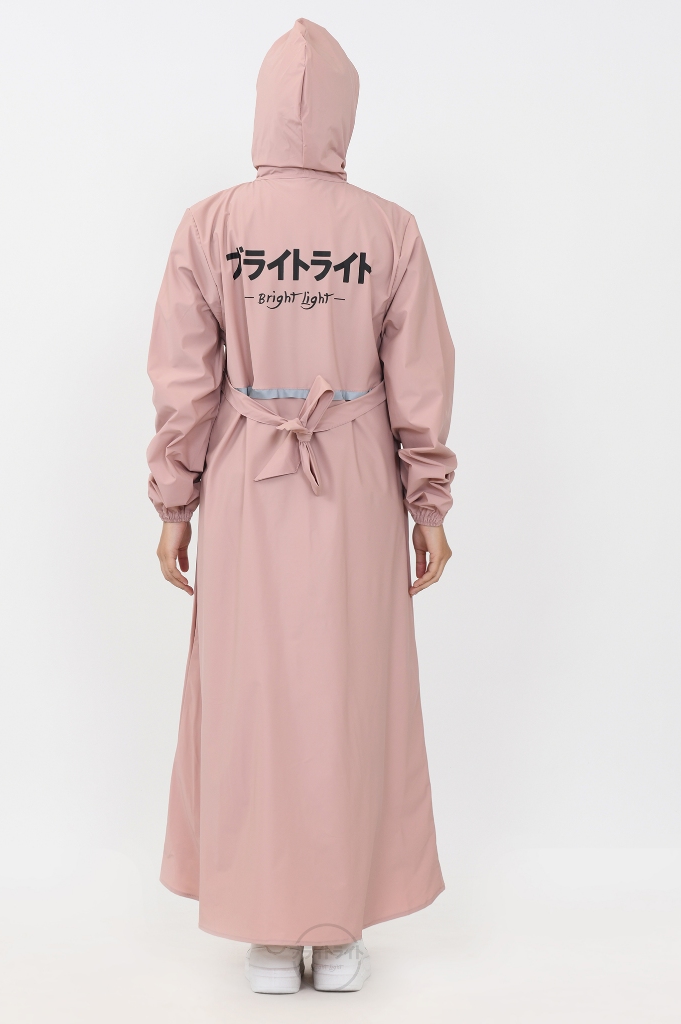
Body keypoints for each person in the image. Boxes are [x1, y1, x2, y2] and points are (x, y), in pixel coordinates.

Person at [146, 19, 457, 994]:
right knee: (349, 694)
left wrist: (174, 499)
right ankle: (338, 923)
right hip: (354, 482)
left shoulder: (211, 225)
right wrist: (428, 501)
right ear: (343, 116)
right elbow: (421, 378)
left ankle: (270, 931)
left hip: (247, 481)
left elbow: (183, 379)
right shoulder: (387, 230)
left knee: (253, 696)